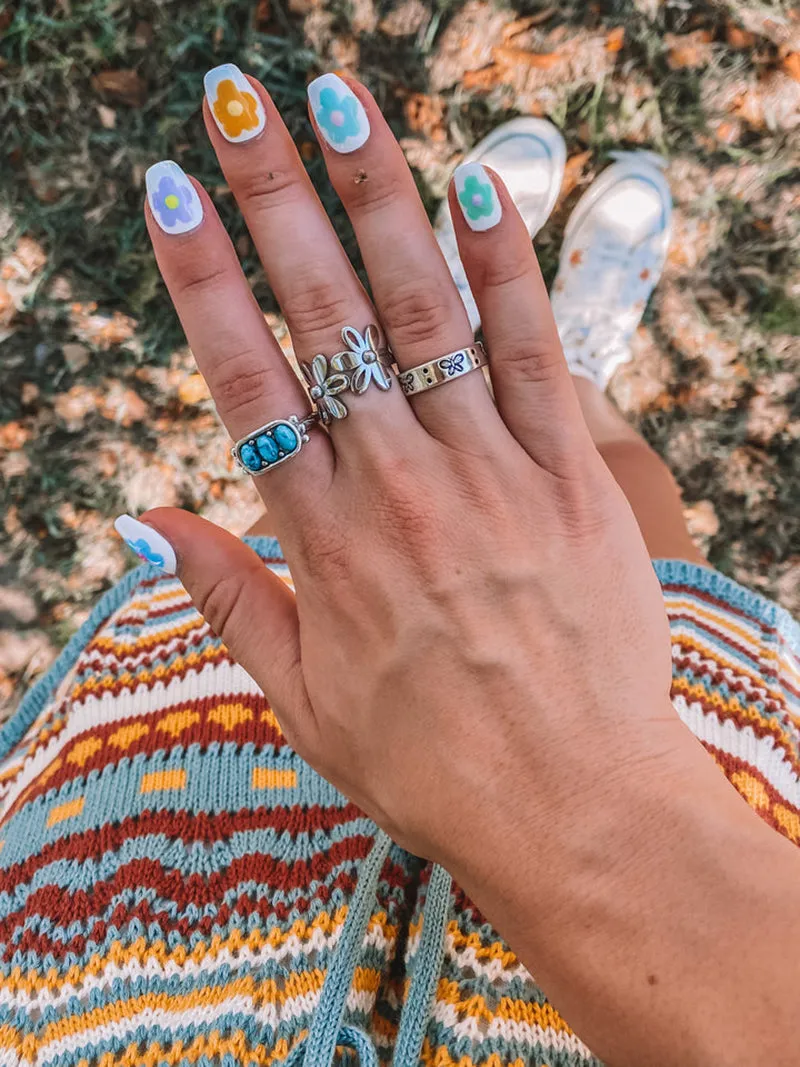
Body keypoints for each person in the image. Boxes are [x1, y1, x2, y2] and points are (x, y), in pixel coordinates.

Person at [0, 67, 797, 1067]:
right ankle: (556, 378)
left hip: (132, 917)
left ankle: (431, 375)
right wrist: (589, 790)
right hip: (717, 919)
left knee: (347, 525)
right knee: (608, 503)